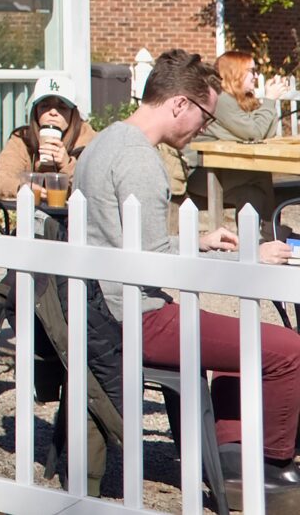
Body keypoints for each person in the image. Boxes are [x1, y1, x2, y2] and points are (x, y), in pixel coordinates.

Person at [72, 47, 300, 486]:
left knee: (243, 348)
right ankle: (270, 467)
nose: (203, 128)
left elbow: (132, 241)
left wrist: (200, 241)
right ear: (180, 103)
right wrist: (244, 258)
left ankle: (228, 453)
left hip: (102, 308)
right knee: (287, 349)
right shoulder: (141, 160)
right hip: (138, 316)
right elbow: (155, 264)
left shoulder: (105, 141)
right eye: (204, 117)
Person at [189, 47, 285, 233]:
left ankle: (253, 243)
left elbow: (264, 134)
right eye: (251, 71)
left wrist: (266, 107)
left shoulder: (238, 100)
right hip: (200, 173)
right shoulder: (221, 99)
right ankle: (271, 231)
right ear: (235, 73)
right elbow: (254, 132)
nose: (255, 76)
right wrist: (270, 100)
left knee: (252, 192)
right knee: (259, 174)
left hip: (221, 171)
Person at [0, 73, 96, 201]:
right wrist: (23, 188)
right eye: (45, 106)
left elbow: (95, 186)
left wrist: (66, 164)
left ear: (72, 113)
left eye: (62, 107)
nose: (53, 112)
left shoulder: (90, 142)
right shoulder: (23, 140)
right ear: (35, 111)